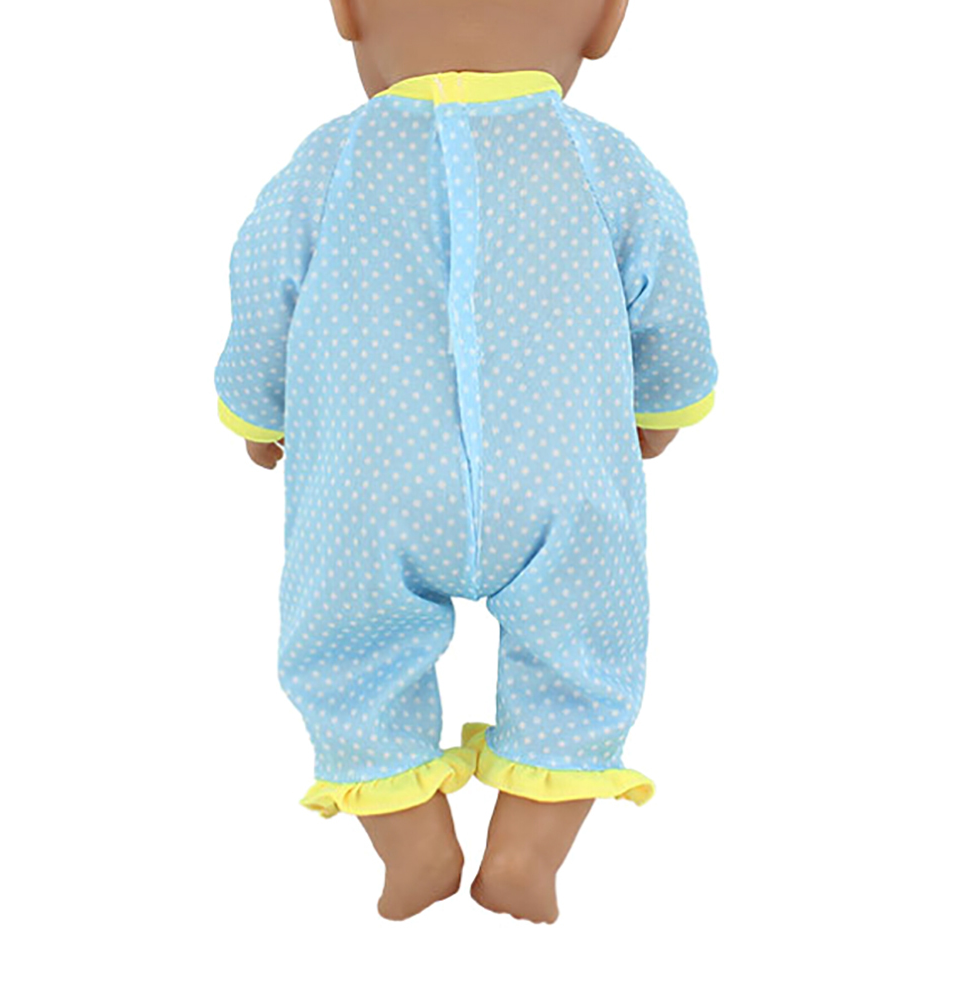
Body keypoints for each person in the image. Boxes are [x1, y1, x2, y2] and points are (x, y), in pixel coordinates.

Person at [214, 0, 718, 924]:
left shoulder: (328, 162)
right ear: (604, 22)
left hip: (369, 482)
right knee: (586, 652)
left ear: (349, 12)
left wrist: (258, 413)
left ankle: (413, 845)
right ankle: (526, 854)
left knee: (346, 651)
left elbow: (263, 288)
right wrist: (661, 409)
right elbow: (667, 292)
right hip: (564, 472)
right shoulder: (605, 162)